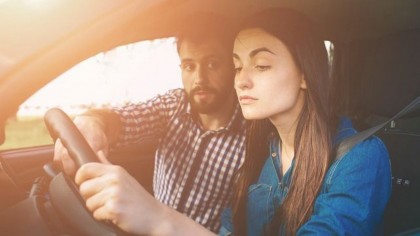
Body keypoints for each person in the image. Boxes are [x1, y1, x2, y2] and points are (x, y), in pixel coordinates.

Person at [74, 8, 391, 236]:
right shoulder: (258, 154)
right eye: (238, 66)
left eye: (261, 65)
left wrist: (161, 221)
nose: (242, 81)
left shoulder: (360, 157)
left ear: (305, 74)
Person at [53, 12, 247, 233]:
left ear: (234, 66)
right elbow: (125, 118)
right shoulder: (174, 105)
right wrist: (93, 122)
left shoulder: (254, 137)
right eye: (189, 66)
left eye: (212, 64)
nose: (199, 79)